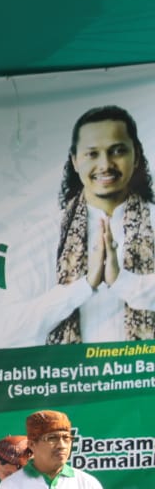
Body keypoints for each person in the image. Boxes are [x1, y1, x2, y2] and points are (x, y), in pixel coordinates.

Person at [13, 105, 155, 343]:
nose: (105, 164)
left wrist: (123, 282)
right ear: (75, 161)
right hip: (72, 377)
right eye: (92, 154)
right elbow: (11, 327)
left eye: (117, 151)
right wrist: (83, 287)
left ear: (136, 156)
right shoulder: (46, 234)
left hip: (144, 377)